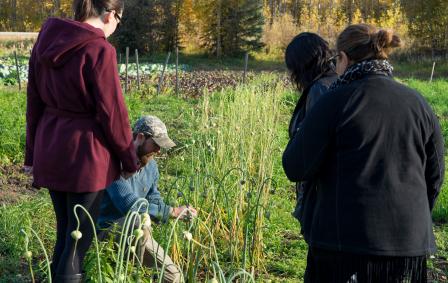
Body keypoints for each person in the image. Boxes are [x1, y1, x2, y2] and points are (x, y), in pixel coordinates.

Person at [282, 24, 444, 282]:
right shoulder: (418, 103)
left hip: (343, 247)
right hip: (408, 245)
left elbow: (295, 166)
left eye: (336, 60)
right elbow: (434, 176)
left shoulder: (334, 101)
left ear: (344, 58)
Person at [24, 0, 139, 281]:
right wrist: (129, 158)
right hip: (85, 157)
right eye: (118, 22)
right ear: (111, 15)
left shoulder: (45, 41)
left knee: (66, 233)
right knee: (78, 242)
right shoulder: (100, 50)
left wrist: (32, 155)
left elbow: (34, 102)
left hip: (51, 146)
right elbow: (113, 113)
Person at [97, 115, 198, 283]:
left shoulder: (151, 166)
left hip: (138, 232)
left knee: (173, 276)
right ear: (140, 137)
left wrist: (179, 211)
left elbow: (154, 198)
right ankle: (127, 269)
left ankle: (134, 269)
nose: (158, 151)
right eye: (156, 145)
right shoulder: (113, 163)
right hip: (105, 232)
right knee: (137, 220)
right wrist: (171, 212)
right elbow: (129, 205)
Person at [284, 32, 337, 232]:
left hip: (323, 194)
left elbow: (315, 144)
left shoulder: (320, 90)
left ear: (301, 65)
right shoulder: (336, 81)